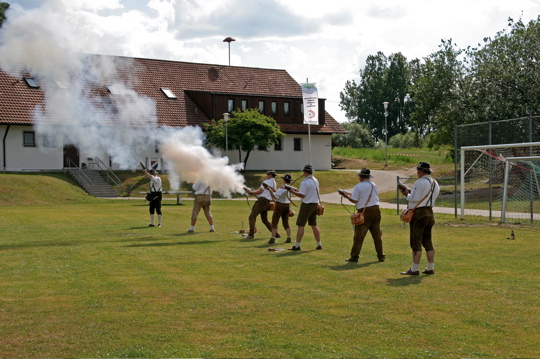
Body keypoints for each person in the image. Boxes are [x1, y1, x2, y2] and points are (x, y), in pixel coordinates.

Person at [399, 161, 440, 275]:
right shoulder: (435, 182)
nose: (417, 172)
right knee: (428, 241)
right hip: (429, 212)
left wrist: (406, 193)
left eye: (418, 170)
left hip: (419, 213)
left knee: (415, 242)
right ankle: (430, 267)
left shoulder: (419, 182)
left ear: (421, 171)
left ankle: (414, 269)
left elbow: (414, 198)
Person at [340, 168, 385, 262]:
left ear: (361, 177)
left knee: (359, 235)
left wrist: (346, 196)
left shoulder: (359, 186)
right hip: (376, 209)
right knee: (377, 235)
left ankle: (354, 256)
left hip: (365, 211)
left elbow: (354, 200)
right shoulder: (373, 185)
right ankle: (380, 256)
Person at [287, 164, 322, 250]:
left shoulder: (305, 182)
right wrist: (297, 191)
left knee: (301, 225)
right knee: (313, 225)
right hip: (314, 204)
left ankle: (297, 245)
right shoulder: (315, 180)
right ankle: (319, 244)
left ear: (305, 172)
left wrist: (292, 191)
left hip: (307, 205)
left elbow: (302, 195)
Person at [244, 170, 279, 239]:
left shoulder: (266, 182)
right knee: (265, 220)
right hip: (267, 201)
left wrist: (252, 192)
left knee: (252, 217)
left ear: (269, 175)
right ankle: (276, 234)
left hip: (262, 201)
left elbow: (260, 192)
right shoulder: (274, 182)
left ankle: (251, 234)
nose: (267, 176)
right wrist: (253, 192)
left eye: (267, 174)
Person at [268, 173, 293, 244]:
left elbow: (275, 196)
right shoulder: (290, 188)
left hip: (280, 205)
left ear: (284, 180)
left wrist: (269, 190)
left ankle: (272, 238)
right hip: (287, 205)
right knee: (285, 222)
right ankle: (289, 237)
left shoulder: (283, 187)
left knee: (274, 222)